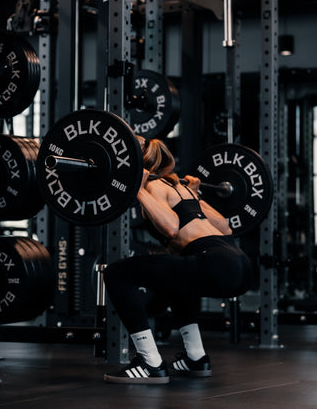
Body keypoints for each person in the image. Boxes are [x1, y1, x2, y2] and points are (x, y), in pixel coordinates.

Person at [103, 137, 253, 384]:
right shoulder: (182, 190)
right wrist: (196, 195)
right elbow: (225, 228)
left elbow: (172, 228)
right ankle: (196, 357)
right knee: (176, 275)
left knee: (116, 273)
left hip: (216, 263)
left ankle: (150, 362)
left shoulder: (153, 186)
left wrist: (138, 188)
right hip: (239, 264)